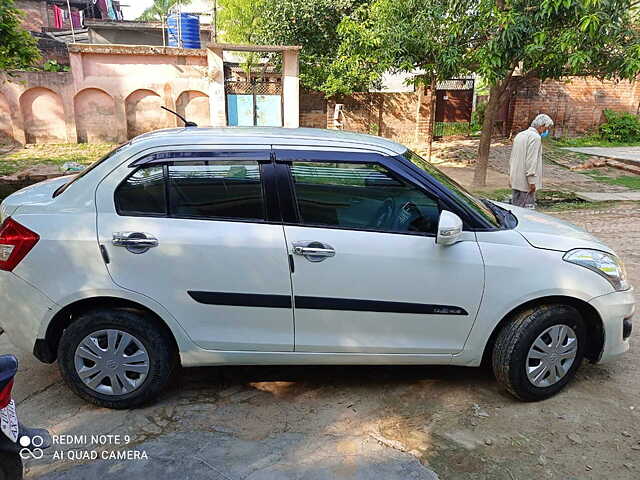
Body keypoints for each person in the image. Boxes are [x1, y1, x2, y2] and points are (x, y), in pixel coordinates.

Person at [509, 114, 554, 208]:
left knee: (515, 208)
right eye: (547, 128)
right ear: (542, 126)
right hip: (526, 183)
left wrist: (511, 177)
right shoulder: (535, 138)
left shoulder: (520, 135)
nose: (547, 131)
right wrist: (532, 182)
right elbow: (531, 161)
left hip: (515, 179)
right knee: (527, 211)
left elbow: (512, 158)